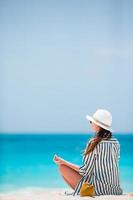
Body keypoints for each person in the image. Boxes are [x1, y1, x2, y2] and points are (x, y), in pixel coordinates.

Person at [53, 109, 123, 196]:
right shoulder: (115, 142)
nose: (90, 124)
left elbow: (85, 171)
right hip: (115, 190)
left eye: (91, 122)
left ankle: (79, 192)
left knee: (62, 167)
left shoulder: (94, 142)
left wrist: (64, 162)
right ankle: (79, 191)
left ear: (98, 125)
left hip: (97, 190)